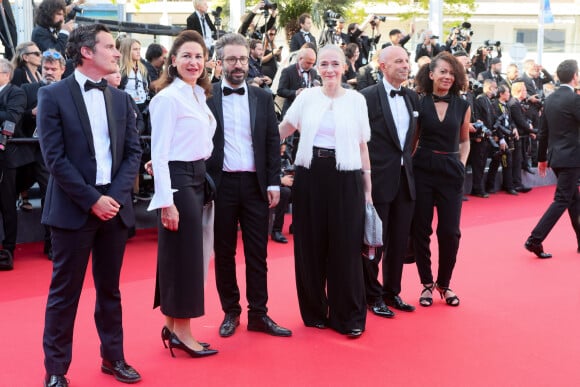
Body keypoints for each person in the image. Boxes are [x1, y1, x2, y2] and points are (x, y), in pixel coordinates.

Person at [37, 24, 142, 387]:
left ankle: (113, 358)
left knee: (110, 289)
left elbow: (132, 152)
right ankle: (55, 370)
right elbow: (54, 158)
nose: (117, 53)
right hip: (73, 208)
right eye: (110, 47)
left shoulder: (122, 98)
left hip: (113, 207)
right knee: (64, 292)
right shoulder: (53, 96)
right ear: (86, 51)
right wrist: (92, 199)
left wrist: (112, 196)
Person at [279, 44, 372, 338]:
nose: (329, 69)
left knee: (346, 247)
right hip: (310, 175)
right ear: (316, 68)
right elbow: (283, 129)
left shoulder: (357, 100)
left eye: (335, 64)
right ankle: (315, 311)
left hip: (347, 178)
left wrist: (368, 190)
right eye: (324, 64)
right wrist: (258, 143)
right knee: (310, 244)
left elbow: (362, 146)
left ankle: (349, 317)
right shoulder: (306, 97)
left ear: (345, 67)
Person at [205, 33, 291, 338]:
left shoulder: (263, 98)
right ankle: (231, 311)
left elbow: (271, 142)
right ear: (219, 62)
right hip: (221, 185)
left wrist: (274, 182)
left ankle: (259, 313)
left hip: (256, 186)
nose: (238, 64)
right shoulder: (206, 96)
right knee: (224, 252)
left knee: (258, 253)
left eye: (243, 58)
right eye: (231, 59)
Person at [146, 30, 219, 358]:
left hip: (196, 176)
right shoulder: (166, 99)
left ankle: (173, 327)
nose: (193, 62)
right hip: (178, 182)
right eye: (186, 56)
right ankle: (184, 332)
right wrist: (167, 201)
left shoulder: (197, 95)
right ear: (172, 61)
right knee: (186, 260)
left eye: (199, 56)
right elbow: (159, 153)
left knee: (184, 257)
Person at [360, 46, 420, 319]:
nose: (405, 65)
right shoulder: (367, 97)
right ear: (382, 66)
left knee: (398, 240)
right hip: (378, 180)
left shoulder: (412, 97)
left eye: (407, 61)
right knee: (375, 241)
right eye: (398, 61)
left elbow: (412, 140)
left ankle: (391, 291)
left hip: (405, 180)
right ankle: (371, 294)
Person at [412, 52, 471, 307]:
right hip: (422, 168)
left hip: (450, 170)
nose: (448, 76)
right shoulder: (419, 102)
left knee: (450, 232)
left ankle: (444, 284)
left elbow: (465, 140)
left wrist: (461, 163)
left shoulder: (463, 104)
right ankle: (426, 283)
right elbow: (412, 142)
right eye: (443, 72)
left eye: (451, 72)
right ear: (431, 74)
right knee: (421, 229)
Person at [524, 60, 580, 259]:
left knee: (574, 200)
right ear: (575, 76)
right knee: (563, 199)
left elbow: (543, 132)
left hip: (556, 157)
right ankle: (534, 239)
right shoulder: (574, 99)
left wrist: (541, 159)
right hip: (572, 158)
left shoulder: (551, 98)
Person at [19, 49, 66, 261]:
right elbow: (17, 115)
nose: (48, 72)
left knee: (55, 199)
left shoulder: (69, 91)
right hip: (31, 152)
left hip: (60, 153)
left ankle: (54, 245)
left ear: (62, 70)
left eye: (53, 69)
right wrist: (31, 113)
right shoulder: (29, 90)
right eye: (45, 68)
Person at [0, 58, 26, 266]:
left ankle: (8, 247)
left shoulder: (15, 92)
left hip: (7, 154)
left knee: (7, 202)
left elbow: (11, 116)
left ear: (6, 74)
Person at [277, 46, 317, 118]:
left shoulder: (313, 72)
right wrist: (295, 92)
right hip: (291, 112)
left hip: (308, 113)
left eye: (312, 63)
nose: (310, 66)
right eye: (308, 63)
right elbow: (280, 91)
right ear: (300, 59)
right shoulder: (288, 71)